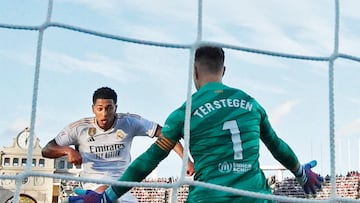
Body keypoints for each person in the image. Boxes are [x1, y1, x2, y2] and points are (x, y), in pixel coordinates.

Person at [64, 46, 323, 203]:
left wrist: (107, 197)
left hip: (210, 197)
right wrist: (302, 173)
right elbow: (277, 146)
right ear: (224, 71)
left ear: (194, 72)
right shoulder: (251, 104)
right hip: (255, 197)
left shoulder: (184, 113)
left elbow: (149, 160)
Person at [42, 86, 194, 203]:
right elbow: (47, 149)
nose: (104, 113)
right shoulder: (79, 128)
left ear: (116, 108)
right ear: (93, 109)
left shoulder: (129, 122)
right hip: (93, 187)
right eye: (100, 109)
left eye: (109, 108)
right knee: (102, 191)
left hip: (123, 188)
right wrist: (67, 150)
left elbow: (165, 134)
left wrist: (186, 160)